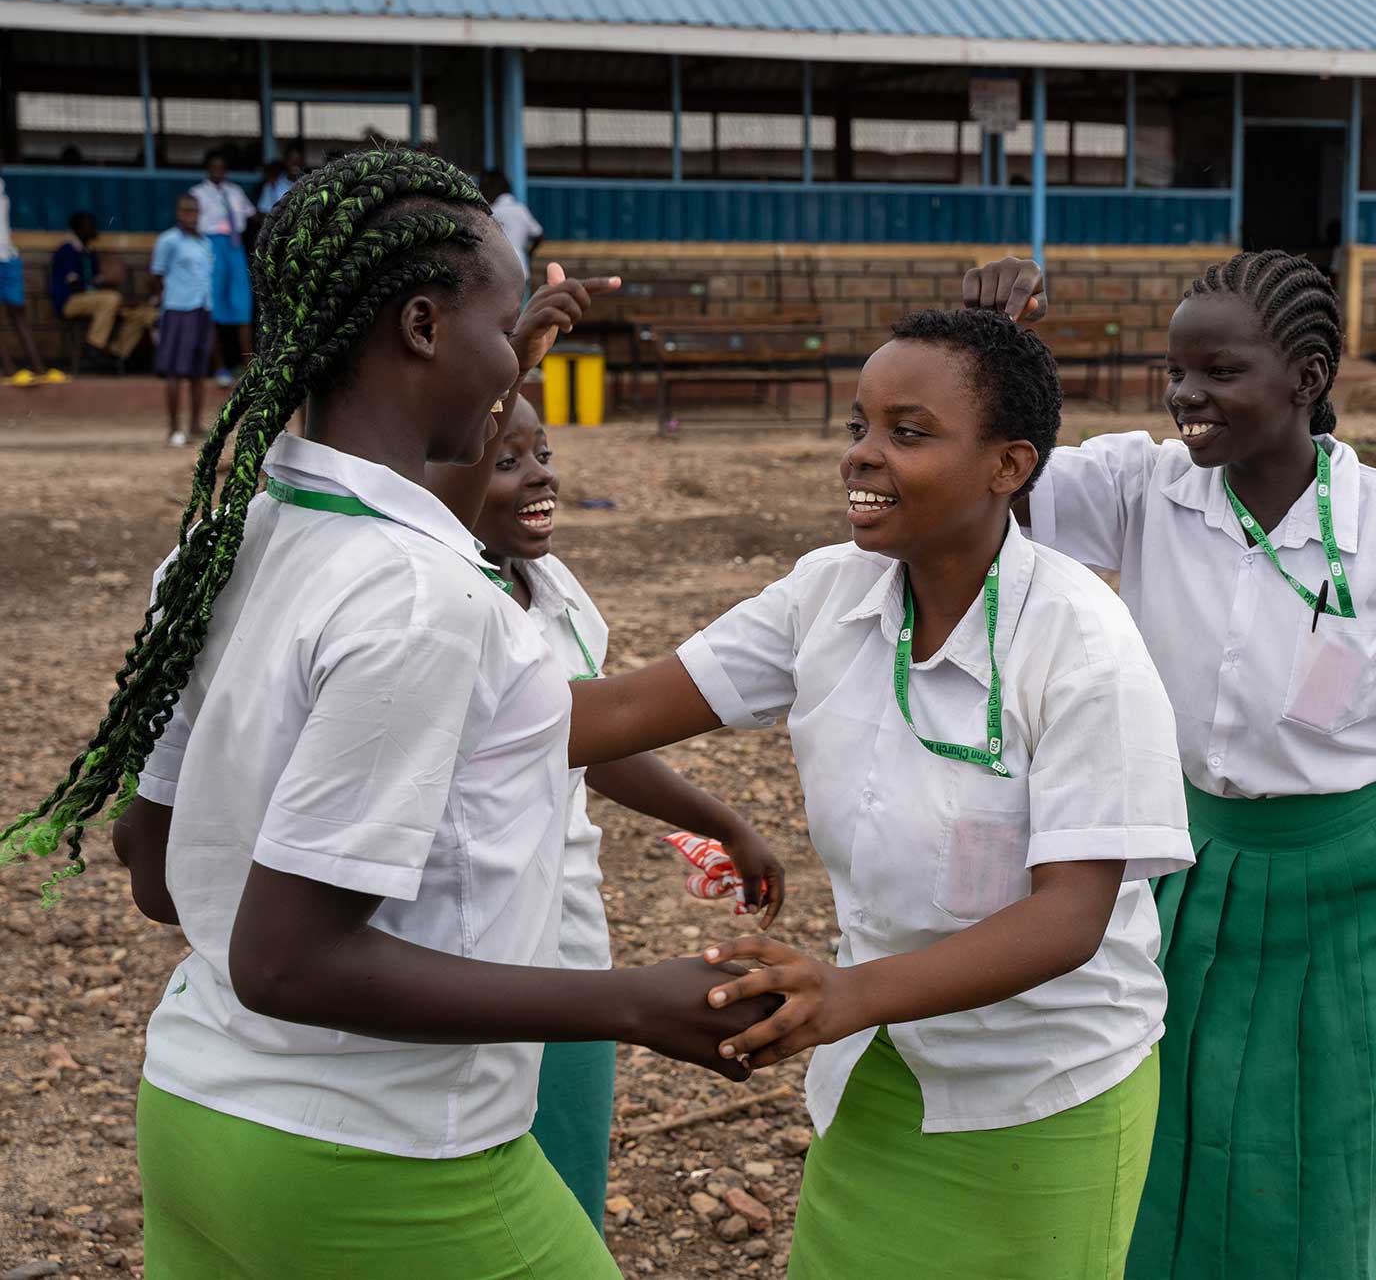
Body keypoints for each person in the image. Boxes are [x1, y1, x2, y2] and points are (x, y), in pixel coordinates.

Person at [0, 148, 777, 1280]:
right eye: (504, 331)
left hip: (198, 1116)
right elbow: (289, 961)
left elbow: (159, 870)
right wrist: (633, 1004)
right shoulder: (418, 594)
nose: (515, 365)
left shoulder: (233, 541)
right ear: (421, 326)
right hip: (382, 1162)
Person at [962, 253, 1376, 1280]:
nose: (1186, 398)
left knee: (1318, 1176)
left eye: (1219, 371)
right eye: (1175, 373)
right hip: (1184, 870)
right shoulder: (1144, 488)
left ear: (1306, 377)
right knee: (1165, 1150)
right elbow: (987, 476)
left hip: (1357, 897)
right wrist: (1000, 344)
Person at [555, 309, 1194, 1279]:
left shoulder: (1081, 642)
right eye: (859, 426)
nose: (861, 456)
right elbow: (620, 709)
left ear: (1008, 466)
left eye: (908, 432)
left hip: (1046, 1090)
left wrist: (847, 993)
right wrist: (391, 703)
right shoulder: (827, 595)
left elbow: (1070, 918)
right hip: (884, 1066)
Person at [424, 390, 790, 1230]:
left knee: (566, 1166)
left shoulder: (554, 593)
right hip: (454, 949)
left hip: (569, 937)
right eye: (506, 460)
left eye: (542, 451)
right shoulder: (433, 605)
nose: (539, 474)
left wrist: (720, 820)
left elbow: (583, 736)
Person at [50, 211, 158, 371]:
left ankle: (116, 355)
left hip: (97, 302)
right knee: (111, 298)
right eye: (89, 226)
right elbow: (75, 284)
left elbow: (96, 282)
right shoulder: (66, 250)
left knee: (145, 313)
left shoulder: (89, 252)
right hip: (70, 302)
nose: (94, 230)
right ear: (77, 228)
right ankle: (93, 347)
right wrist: (102, 285)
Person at [149, 195, 215, 445]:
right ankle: (174, 428)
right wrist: (165, 298)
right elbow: (156, 275)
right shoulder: (168, 241)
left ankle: (195, 425)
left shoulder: (204, 242)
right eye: (187, 211)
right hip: (178, 309)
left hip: (203, 307)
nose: (192, 216)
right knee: (176, 370)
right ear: (178, 212)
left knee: (198, 371)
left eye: (195, 211)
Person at [188, 148, 257, 383]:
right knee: (214, 306)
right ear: (207, 169)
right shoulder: (197, 193)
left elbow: (251, 215)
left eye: (222, 167)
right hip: (211, 247)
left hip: (235, 248)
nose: (218, 171)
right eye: (214, 167)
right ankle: (220, 369)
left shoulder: (235, 191)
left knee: (242, 305)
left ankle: (247, 367)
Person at [0, 174, 51, 382]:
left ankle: (39, 370)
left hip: (8, 257)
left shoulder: (2, 189)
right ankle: (9, 371)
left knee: (18, 313)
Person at [481, 169, 542, 282]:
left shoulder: (492, 212)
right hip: (521, 267)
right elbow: (539, 234)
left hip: (499, 271)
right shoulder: (521, 210)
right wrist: (529, 254)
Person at [258, 145, 305, 213]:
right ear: (285, 162)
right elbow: (264, 211)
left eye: (298, 161)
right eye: (292, 161)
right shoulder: (273, 185)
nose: (295, 165)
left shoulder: (308, 184)